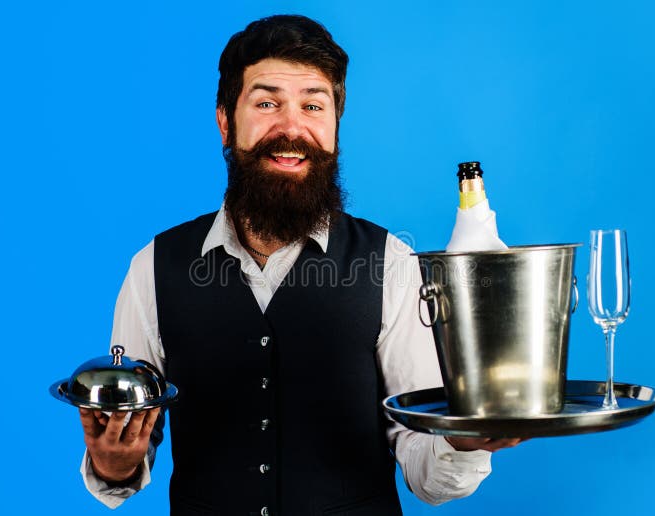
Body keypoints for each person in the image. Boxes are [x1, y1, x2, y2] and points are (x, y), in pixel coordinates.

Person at [77, 14, 521, 515]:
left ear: (334, 127)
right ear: (225, 122)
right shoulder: (153, 268)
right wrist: (114, 465)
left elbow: (427, 470)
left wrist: (462, 442)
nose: (292, 128)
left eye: (313, 106)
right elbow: (127, 437)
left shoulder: (392, 263)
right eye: (267, 103)